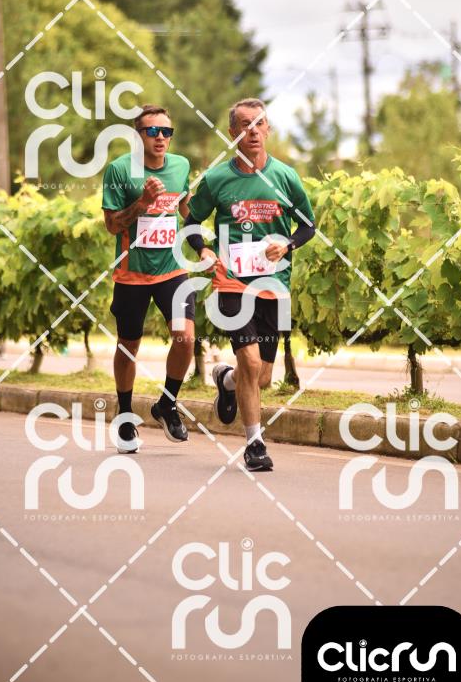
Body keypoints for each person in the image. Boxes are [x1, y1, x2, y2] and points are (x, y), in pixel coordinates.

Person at [185, 98, 315, 472]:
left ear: (268, 129)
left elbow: (308, 226)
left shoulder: (285, 177)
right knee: (251, 361)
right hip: (232, 284)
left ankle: (226, 380)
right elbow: (191, 222)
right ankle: (255, 445)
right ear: (233, 133)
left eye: (259, 123)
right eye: (245, 125)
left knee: (263, 377)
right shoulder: (217, 180)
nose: (253, 130)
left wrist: (287, 244)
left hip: (274, 286)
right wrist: (204, 249)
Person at [102, 105, 195, 452]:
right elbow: (112, 225)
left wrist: (207, 238)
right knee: (129, 346)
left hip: (172, 269)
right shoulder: (119, 170)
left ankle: (167, 404)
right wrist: (142, 202)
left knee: (185, 338)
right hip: (132, 274)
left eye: (166, 132)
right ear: (137, 135)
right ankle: (125, 416)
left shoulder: (181, 166)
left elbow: (186, 208)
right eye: (152, 131)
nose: (160, 137)